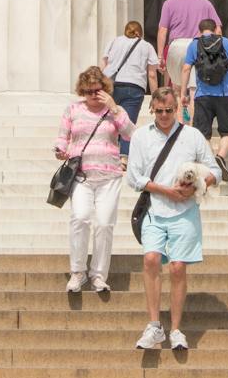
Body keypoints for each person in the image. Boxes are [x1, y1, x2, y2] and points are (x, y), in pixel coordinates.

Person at [127, 86, 221, 351]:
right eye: (159, 111)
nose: (165, 115)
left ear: (176, 109)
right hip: (155, 207)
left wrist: (198, 185)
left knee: (178, 267)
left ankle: (176, 329)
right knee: (151, 259)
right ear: (151, 109)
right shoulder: (140, 136)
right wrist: (165, 190)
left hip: (185, 210)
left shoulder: (192, 136)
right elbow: (134, 177)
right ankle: (154, 325)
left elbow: (216, 170)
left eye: (169, 110)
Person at [55, 66, 135, 294]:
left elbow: (130, 133)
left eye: (97, 90)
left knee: (104, 224)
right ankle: (78, 272)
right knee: (79, 218)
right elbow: (63, 137)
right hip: (81, 176)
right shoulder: (73, 110)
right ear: (82, 90)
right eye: (89, 91)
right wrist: (60, 149)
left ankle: (99, 275)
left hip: (109, 176)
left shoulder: (114, 111)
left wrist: (114, 107)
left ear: (105, 89)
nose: (93, 95)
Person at [181, 18, 228, 181]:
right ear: (216, 29)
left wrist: (183, 93)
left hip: (203, 95)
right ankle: (220, 157)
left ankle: (211, 163)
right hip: (225, 94)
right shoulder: (227, 43)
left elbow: (186, 68)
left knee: (203, 132)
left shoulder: (194, 45)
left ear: (199, 30)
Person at [102, 20, 159, 158]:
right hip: (134, 86)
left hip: (112, 85)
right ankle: (124, 157)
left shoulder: (114, 41)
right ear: (140, 33)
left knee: (109, 120)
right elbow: (152, 74)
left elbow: (103, 65)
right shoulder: (147, 46)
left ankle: (107, 152)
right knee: (128, 121)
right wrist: (155, 96)